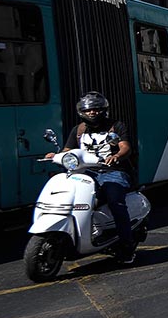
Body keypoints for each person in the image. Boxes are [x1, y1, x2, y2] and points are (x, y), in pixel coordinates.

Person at [46, 92, 139, 264]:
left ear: (103, 110)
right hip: (86, 172)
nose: (92, 113)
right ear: (82, 112)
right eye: (88, 110)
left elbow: (125, 147)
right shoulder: (79, 130)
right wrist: (56, 156)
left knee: (115, 200)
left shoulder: (116, 126)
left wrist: (117, 156)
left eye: (96, 109)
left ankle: (127, 246)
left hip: (113, 171)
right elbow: (69, 150)